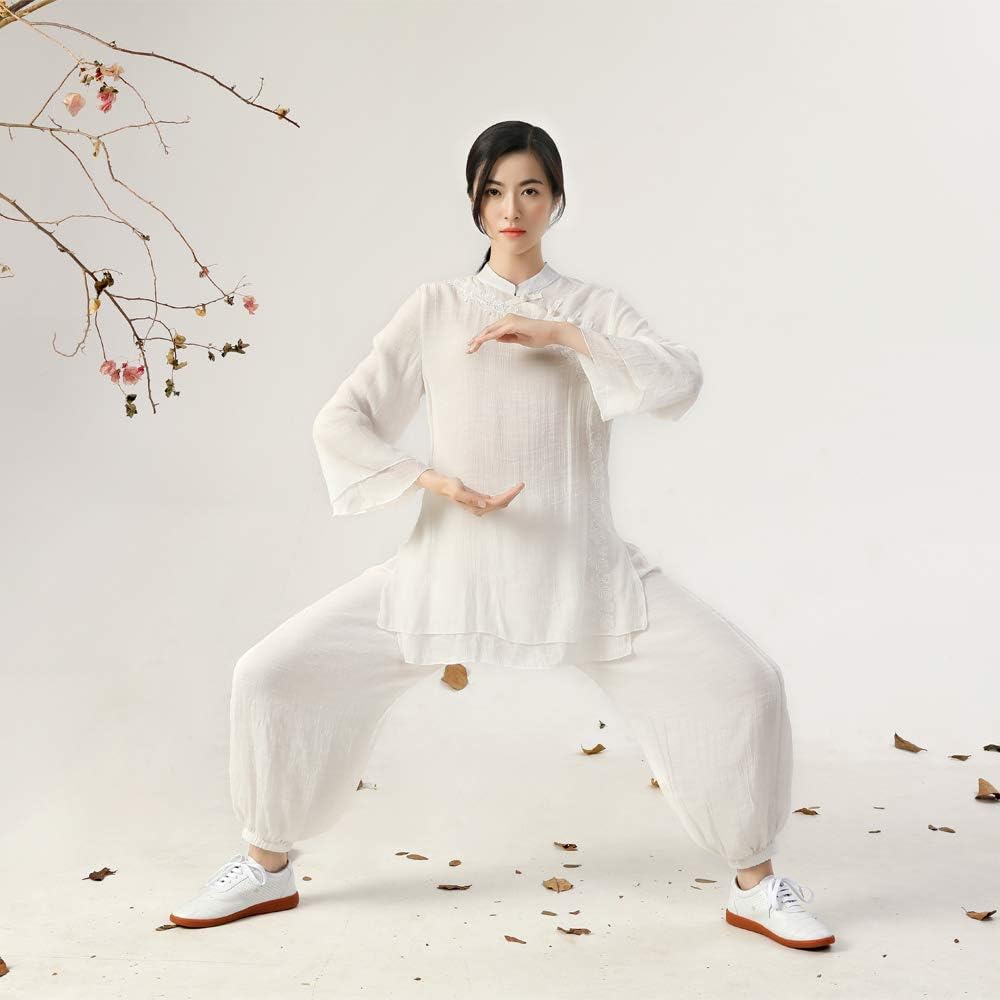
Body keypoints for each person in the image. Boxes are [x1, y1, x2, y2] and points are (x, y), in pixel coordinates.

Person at [168, 121, 835, 950]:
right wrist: (434, 481)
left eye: (529, 190)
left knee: (746, 683)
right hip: (447, 571)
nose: (511, 209)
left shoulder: (592, 308)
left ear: (555, 200)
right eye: (493, 191)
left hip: (583, 576)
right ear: (474, 203)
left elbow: (678, 378)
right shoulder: (436, 308)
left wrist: (567, 337)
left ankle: (756, 884)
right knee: (270, 674)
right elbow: (343, 419)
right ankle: (266, 864)